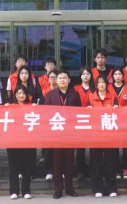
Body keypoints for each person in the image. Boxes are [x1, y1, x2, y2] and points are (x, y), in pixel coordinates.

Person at [43, 70, 82, 199]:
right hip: (56, 134)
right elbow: (46, 114)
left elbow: (79, 113)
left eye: (64, 78)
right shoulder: (50, 95)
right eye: (60, 78)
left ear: (69, 80)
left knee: (69, 162)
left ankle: (70, 188)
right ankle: (58, 189)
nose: (62, 80)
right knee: (57, 163)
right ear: (56, 80)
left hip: (70, 134)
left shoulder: (75, 94)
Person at [89, 76, 119, 198]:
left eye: (103, 82)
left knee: (110, 162)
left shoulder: (113, 97)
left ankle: (111, 188)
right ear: (96, 85)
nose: (101, 84)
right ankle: (98, 188)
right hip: (95, 135)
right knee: (96, 162)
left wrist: (116, 109)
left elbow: (118, 115)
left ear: (107, 84)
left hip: (109, 135)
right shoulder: (91, 98)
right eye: (99, 83)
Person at [7, 85, 37, 200]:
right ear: (15, 95)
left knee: (27, 167)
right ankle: (14, 191)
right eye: (18, 93)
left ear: (27, 95)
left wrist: (36, 108)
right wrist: (4, 108)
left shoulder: (31, 106)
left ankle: (26, 191)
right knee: (13, 167)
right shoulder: (10, 107)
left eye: (23, 93)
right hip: (12, 141)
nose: (21, 95)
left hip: (28, 140)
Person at [109, 68, 127, 180]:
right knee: (114, 146)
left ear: (123, 76)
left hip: (126, 119)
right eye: (115, 74)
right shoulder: (108, 88)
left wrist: (124, 112)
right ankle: (116, 170)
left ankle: (126, 168)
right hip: (112, 120)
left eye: (119, 74)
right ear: (113, 76)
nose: (118, 76)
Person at [74, 67, 94, 179]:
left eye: (87, 74)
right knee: (80, 147)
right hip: (79, 120)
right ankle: (80, 170)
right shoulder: (75, 88)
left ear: (91, 76)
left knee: (93, 147)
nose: (85, 76)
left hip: (93, 120)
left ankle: (93, 170)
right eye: (83, 74)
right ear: (80, 76)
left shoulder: (95, 88)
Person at [43, 69, 59, 181]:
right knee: (49, 150)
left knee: (60, 150)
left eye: (55, 77)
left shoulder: (65, 91)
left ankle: (60, 170)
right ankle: (49, 171)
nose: (53, 79)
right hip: (49, 124)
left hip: (61, 124)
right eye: (51, 77)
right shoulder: (45, 92)